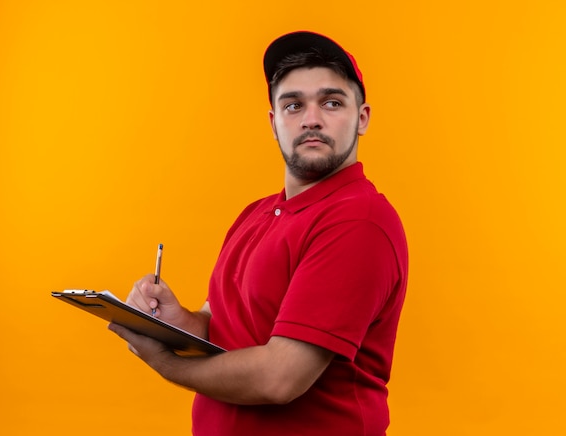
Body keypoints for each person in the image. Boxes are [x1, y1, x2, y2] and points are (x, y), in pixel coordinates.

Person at [108, 31, 409, 436]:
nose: (312, 118)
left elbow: (279, 378)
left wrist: (165, 362)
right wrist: (175, 320)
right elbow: (220, 326)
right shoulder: (258, 214)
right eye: (293, 105)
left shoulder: (358, 220)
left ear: (362, 118)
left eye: (332, 102)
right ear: (274, 122)